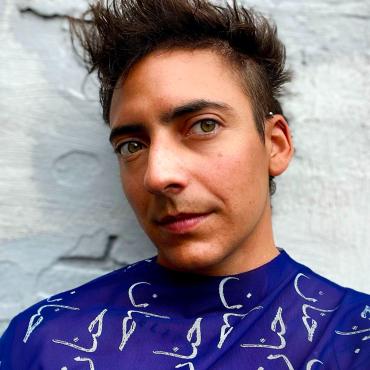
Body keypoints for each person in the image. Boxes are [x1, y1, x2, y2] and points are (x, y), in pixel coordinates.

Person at [0, 0, 369, 368]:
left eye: (204, 125)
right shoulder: (44, 341)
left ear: (275, 145)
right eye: (132, 146)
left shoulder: (354, 338)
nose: (157, 176)